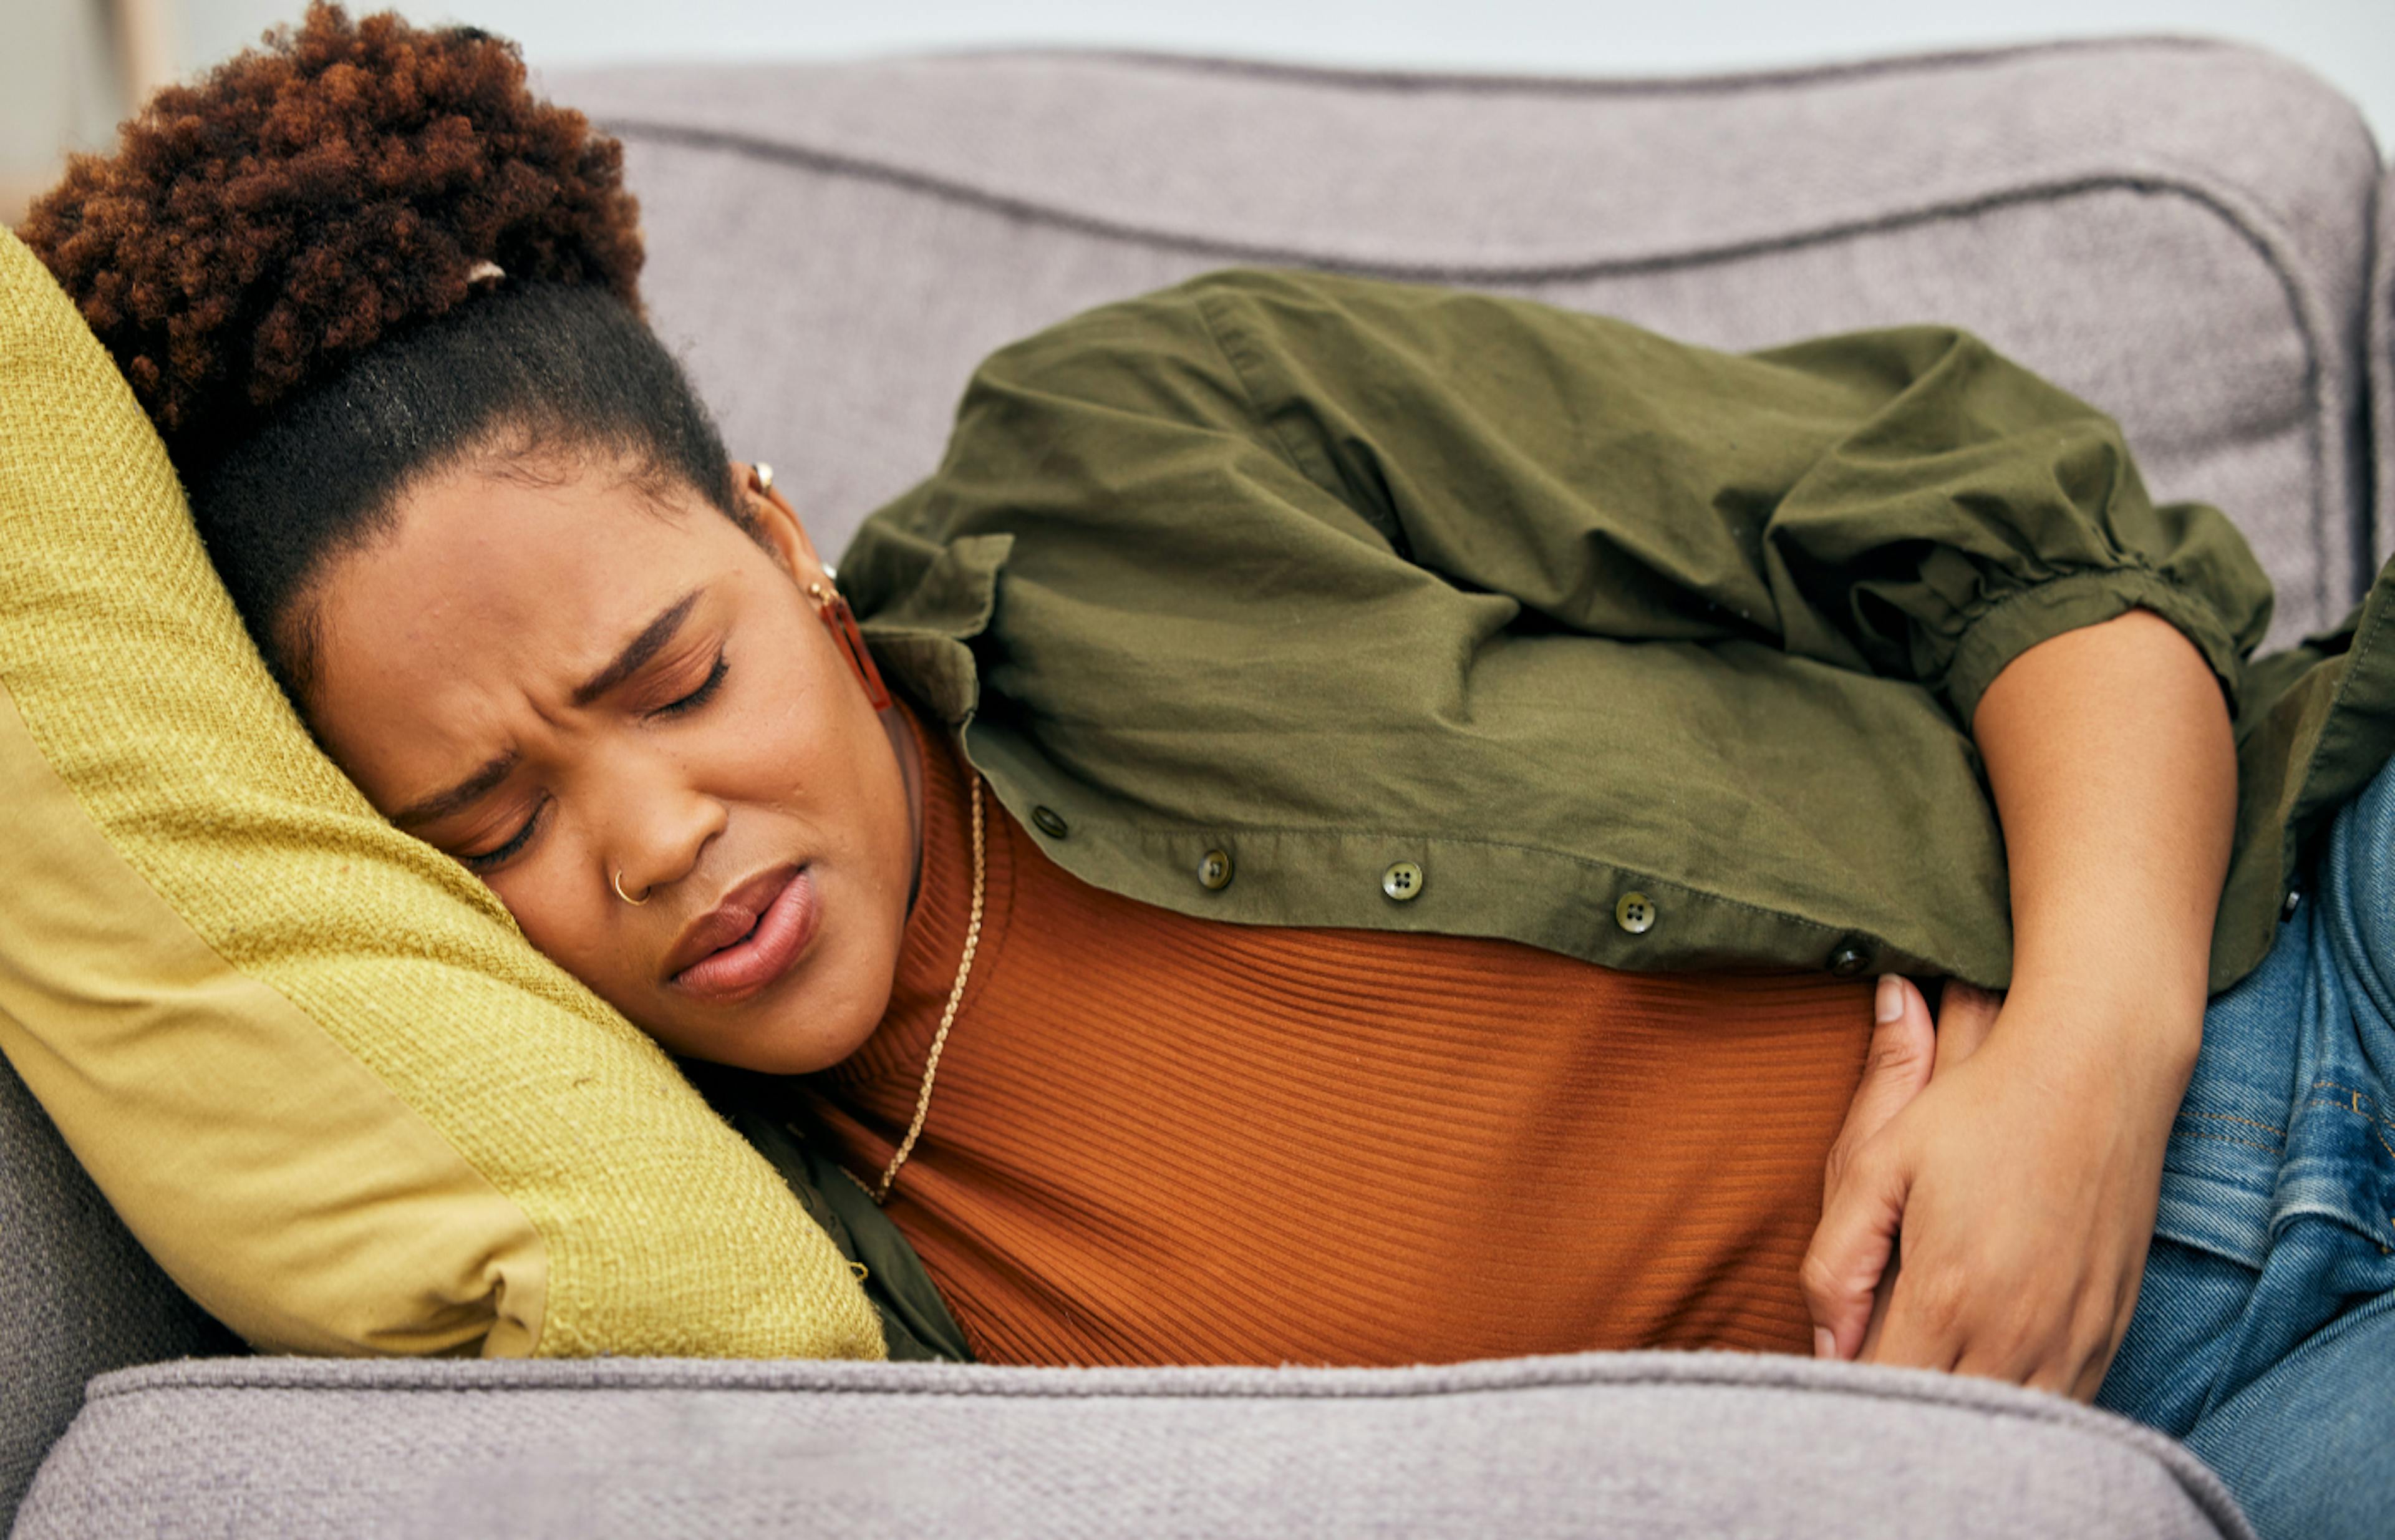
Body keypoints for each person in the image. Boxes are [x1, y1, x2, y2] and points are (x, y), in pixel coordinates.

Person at [22, 8, 2391, 1537]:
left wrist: (2084, 1059)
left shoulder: (1145, 454)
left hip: (2306, 928)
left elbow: (2007, 525)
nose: (650, 840)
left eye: (672, 676)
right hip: (2176, 1441)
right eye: (493, 827)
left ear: (777, 541)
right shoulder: (772, 1300)